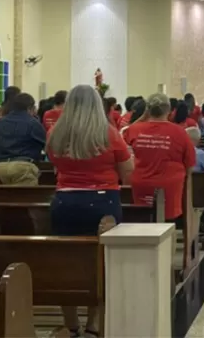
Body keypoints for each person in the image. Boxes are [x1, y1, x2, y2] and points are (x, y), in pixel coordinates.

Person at [47, 85, 133, 337]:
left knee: (67, 265)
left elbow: (53, 161)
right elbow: (127, 173)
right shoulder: (109, 133)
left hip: (65, 201)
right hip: (103, 200)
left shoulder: (56, 133)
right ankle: (94, 324)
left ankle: (71, 324)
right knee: (102, 263)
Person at [123, 93, 196, 222]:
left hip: (142, 185)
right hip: (169, 187)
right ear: (170, 111)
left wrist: (143, 117)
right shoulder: (180, 132)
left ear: (147, 110)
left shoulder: (135, 129)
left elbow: (126, 132)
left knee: (144, 219)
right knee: (167, 223)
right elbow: (189, 165)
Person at [0, 93, 46, 185]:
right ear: (30, 108)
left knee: (8, 197)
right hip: (24, 166)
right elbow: (46, 145)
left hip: (1, 167)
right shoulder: (33, 123)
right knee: (24, 198)